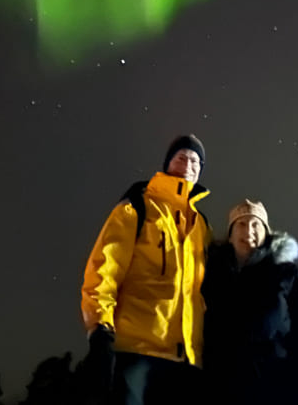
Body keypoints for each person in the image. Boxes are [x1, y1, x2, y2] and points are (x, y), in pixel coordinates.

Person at [81, 134, 213, 405]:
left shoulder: (202, 225)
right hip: (137, 353)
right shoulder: (138, 206)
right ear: (168, 163)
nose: (189, 164)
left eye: (195, 161)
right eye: (182, 157)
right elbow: (106, 266)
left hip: (186, 361)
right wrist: (100, 327)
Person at [202, 200, 298, 405]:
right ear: (230, 233)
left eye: (256, 224)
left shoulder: (287, 275)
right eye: (241, 224)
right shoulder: (211, 276)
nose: (249, 231)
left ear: (266, 232)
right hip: (222, 392)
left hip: (276, 391)